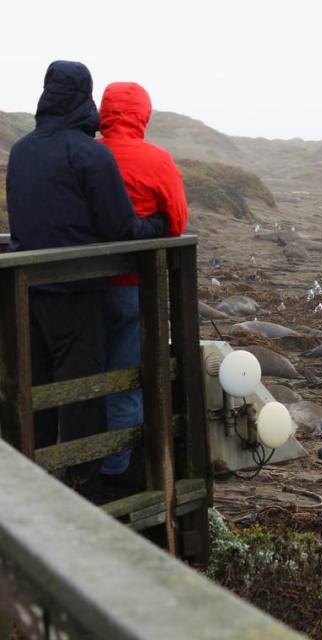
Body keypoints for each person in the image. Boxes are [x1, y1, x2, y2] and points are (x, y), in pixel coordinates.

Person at [5, 60, 169, 494]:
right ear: (84, 96)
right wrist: (156, 224)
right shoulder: (87, 152)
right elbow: (121, 227)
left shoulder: (21, 151)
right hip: (75, 291)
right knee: (83, 395)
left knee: (35, 391)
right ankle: (82, 491)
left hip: (25, 292)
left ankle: (32, 487)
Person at [97, 81, 188, 484]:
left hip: (75, 286)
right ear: (143, 115)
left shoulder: (88, 153)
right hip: (134, 285)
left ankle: (77, 468)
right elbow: (178, 222)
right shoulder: (157, 159)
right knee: (126, 378)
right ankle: (118, 473)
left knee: (78, 378)